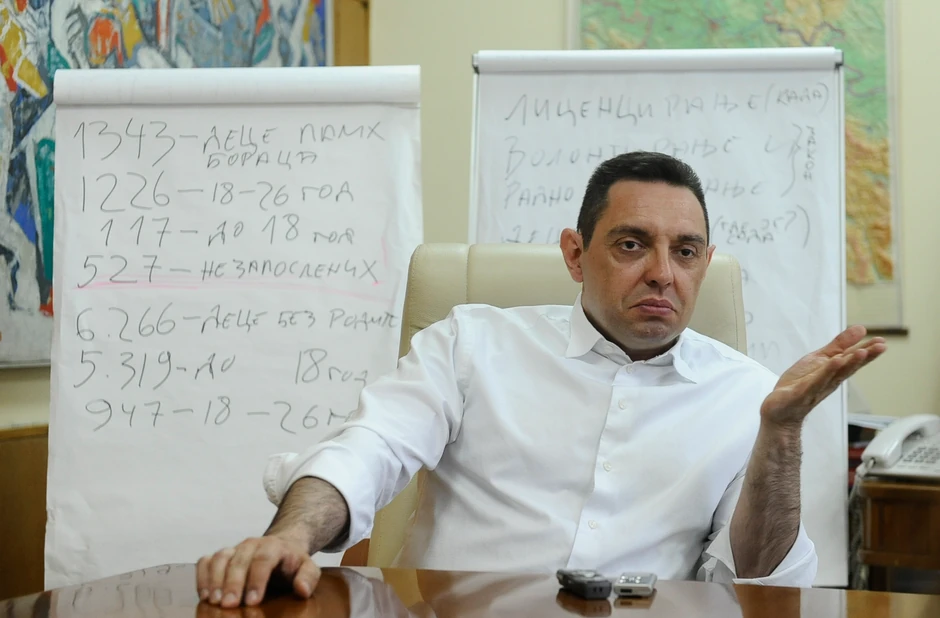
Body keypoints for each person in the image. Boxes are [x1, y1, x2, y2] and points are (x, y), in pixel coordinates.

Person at [195, 151, 886, 607]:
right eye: (631, 244)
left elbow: (759, 585)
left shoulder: (749, 396)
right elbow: (371, 446)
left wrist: (782, 434)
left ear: (705, 264)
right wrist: (290, 537)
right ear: (575, 254)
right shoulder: (473, 343)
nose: (661, 273)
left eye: (685, 252)